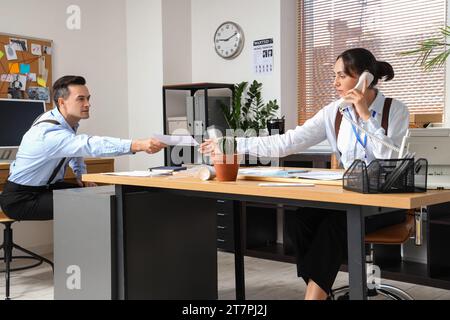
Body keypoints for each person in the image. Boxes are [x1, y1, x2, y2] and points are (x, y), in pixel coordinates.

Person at [200, 48, 410, 300]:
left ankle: (314, 297)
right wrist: (231, 144)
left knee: (334, 225)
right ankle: (321, 291)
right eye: (335, 76)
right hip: (350, 197)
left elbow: (393, 161)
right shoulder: (335, 112)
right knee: (299, 221)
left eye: (341, 76)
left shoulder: (395, 111)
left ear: (364, 77)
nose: (335, 83)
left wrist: (366, 115)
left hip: (386, 202)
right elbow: (286, 142)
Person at [0, 75, 166, 221]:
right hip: (21, 199)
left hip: (44, 189)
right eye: (81, 99)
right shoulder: (48, 133)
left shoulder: (65, 123)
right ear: (61, 102)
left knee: (101, 195)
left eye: (88, 98)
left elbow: (74, 150)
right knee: (91, 203)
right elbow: (88, 144)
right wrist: (138, 144)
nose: (88, 104)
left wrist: (81, 175)